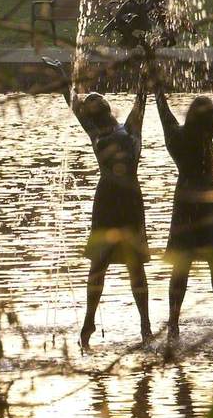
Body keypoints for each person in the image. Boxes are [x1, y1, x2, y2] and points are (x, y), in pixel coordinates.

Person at [43, 56, 152, 350]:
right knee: (114, 265)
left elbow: (140, 98)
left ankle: (132, 324)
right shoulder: (114, 132)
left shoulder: (115, 132)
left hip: (118, 201)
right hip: (118, 200)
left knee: (119, 266)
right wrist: (61, 74)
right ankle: (114, 322)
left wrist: (147, 63)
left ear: (102, 111)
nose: (92, 107)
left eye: (93, 104)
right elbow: (75, 105)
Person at [155, 59, 213, 344]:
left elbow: (163, 108)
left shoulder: (175, 137)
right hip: (210, 199)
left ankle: (174, 324)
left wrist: (152, 76)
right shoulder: (207, 132)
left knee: (181, 264)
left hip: (185, 201)